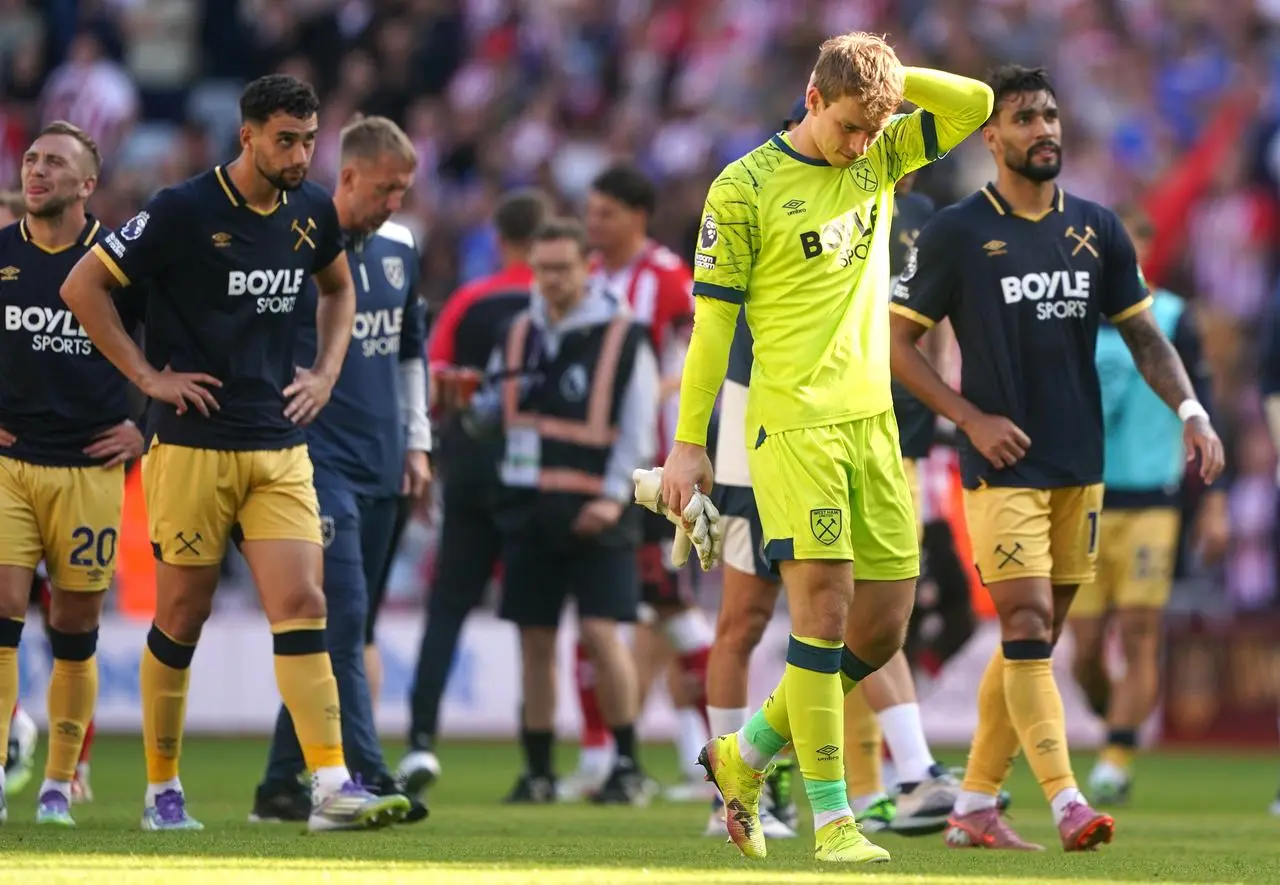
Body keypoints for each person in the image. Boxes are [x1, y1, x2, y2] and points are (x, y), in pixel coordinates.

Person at [662, 32, 993, 864]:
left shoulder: (877, 155)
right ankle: (834, 819)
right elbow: (712, 330)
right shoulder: (743, 188)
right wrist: (687, 444)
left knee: (882, 627)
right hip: (792, 426)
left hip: (874, 426)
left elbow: (976, 107)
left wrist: (887, 82)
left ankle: (743, 754)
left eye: (871, 128)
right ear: (812, 98)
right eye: (848, 125)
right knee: (823, 615)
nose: (859, 144)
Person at [60, 74, 409, 832]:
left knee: (306, 605)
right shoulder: (182, 210)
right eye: (287, 139)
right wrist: (148, 377)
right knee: (184, 613)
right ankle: (161, 790)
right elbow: (84, 285)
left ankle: (330, 786)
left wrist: (324, 372)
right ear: (246, 135)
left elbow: (338, 291)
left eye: (310, 140)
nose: (300, 154)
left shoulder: (313, 210)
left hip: (279, 445)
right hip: (191, 445)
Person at [888, 64, 1224, 852]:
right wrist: (969, 417)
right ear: (992, 136)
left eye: (1050, 115)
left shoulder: (1099, 228)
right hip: (1001, 465)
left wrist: (1193, 410)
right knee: (1030, 623)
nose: (1045, 129)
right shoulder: (958, 232)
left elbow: (1144, 333)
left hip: (1083, 465)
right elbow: (897, 345)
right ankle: (1068, 798)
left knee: (1030, 643)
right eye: (1025, 118)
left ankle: (973, 803)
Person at [249, 115, 431, 824]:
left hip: (385, 463)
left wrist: (418, 443)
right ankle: (366, 771)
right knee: (344, 620)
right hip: (315, 461)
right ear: (348, 176)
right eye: (387, 188)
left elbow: (410, 345)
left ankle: (277, 785)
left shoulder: (401, 247)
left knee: (344, 626)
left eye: (405, 190)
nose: (396, 202)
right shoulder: (296, 244)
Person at [470, 217, 658, 803]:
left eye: (562, 268)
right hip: (529, 511)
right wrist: (465, 407)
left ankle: (626, 765)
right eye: (542, 268)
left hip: (597, 513)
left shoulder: (623, 335)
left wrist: (611, 499)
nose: (551, 279)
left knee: (604, 637)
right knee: (535, 642)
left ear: (586, 267)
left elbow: (636, 428)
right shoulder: (519, 332)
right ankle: (538, 771)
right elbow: (494, 410)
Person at [0, 121, 146, 827]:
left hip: (91, 468)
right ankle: (1, 772)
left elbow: (173, 342)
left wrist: (144, 426)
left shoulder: (120, 262)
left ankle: (59, 781)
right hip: (11, 464)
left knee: (74, 626)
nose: (36, 170)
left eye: (54, 162)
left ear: (87, 184)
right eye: (31, 159)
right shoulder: (0, 254)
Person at [1067, 205, 1227, 807]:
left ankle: (1116, 755)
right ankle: (1118, 718)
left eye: (1129, 248)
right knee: (1083, 652)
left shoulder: (1175, 318)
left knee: (1139, 631)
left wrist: (1212, 503)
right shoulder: (1074, 317)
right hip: (1084, 496)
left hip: (1153, 498)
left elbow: (1202, 403)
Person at [396, 188, 550, 795]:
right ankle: (538, 766)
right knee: (534, 621)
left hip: (468, 468)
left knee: (448, 608)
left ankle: (420, 742)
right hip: (534, 475)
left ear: (500, 238)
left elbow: (430, 386)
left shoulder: (468, 301)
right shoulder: (555, 302)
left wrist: (427, 458)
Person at [570, 162, 710, 801]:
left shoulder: (669, 280)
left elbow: (704, 358)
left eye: (603, 213)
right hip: (598, 470)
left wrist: (655, 392)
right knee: (606, 609)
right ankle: (608, 758)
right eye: (590, 212)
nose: (592, 223)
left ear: (636, 217)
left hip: (657, 473)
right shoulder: (592, 278)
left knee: (670, 609)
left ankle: (701, 759)